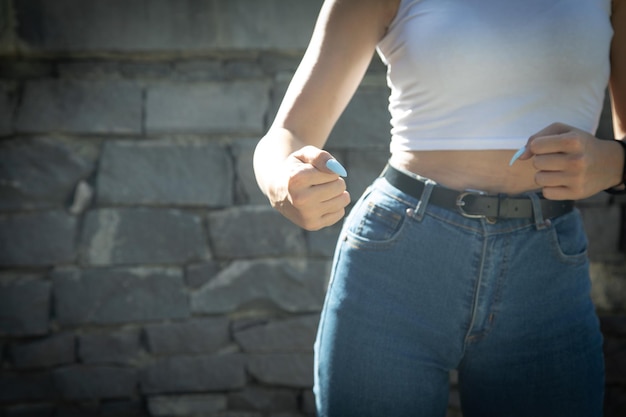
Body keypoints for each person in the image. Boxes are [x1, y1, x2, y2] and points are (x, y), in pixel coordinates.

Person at [253, 0, 626, 416]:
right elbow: (287, 132)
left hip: (545, 271)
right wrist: (284, 182)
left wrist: (615, 163)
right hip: (398, 259)